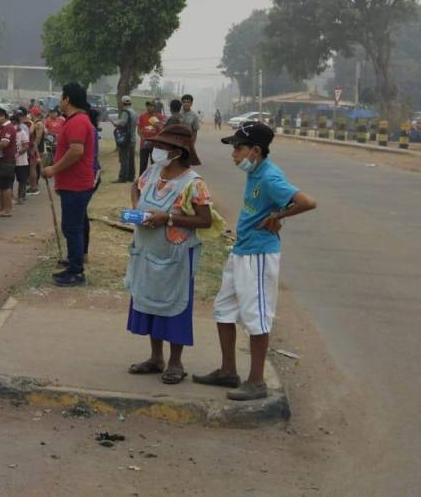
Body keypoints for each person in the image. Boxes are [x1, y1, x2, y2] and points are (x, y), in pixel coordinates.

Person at [193, 123, 317, 401]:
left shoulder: (270, 177)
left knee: (257, 317)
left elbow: (308, 202)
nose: (233, 154)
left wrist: (279, 217)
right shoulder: (256, 172)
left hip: (259, 255)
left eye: (238, 148)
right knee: (223, 309)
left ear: (255, 150)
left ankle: (257, 381)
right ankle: (228, 370)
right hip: (241, 250)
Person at [124, 125, 212, 385]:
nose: (156, 151)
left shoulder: (194, 183)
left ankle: (175, 362)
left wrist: (169, 218)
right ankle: (155, 357)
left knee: (174, 308)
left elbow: (205, 220)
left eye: (161, 147)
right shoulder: (152, 172)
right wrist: (136, 208)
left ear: (176, 151)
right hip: (147, 252)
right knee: (150, 302)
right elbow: (135, 186)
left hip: (176, 258)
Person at [42, 84, 98, 287]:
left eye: (61, 97)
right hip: (74, 184)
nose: (59, 101)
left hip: (76, 185)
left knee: (71, 228)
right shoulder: (77, 121)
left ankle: (76, 271)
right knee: (76, 226)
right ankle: (74, 261)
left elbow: (76, 151)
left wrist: (53, 169)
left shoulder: (78, 121)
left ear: (67, 99)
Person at [0, 107, 18, 217]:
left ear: (2, 116)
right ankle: (2, 208)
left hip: (6, 160)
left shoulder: (8, 128)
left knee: (5, 186)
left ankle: (7, 209)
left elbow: (4, 143)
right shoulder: (0, 128)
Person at [111, 96, 137, 183]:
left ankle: (122, 177)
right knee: (131, 159)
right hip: (133, 138)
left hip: (126, 139)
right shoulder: (134, 112)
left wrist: (114, 122)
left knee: (124, 159)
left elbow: (122, 123)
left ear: (122, 103)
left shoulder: (125, 112)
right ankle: (131, 176)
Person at [138, 100, 164, 177]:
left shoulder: (159, 117)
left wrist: (157, 125)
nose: (149, 107)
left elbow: (162, 130)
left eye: (151, 106)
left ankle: (154, 180)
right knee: (143, 164)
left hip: (155, 145)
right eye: (147, 106)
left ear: (154, 107)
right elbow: (139, 130)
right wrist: (143, 138)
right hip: (144, 145)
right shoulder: (142, 116)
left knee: (155, 165)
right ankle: (141, 180)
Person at [13, 108, 31, 205]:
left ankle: (21, 196)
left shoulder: (24, 128)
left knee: (22, 180)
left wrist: (18, 152)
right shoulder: (8, 129)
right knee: (10, 180)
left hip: (22, 159)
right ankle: (11, 197)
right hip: (11, 160)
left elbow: (26, 144)